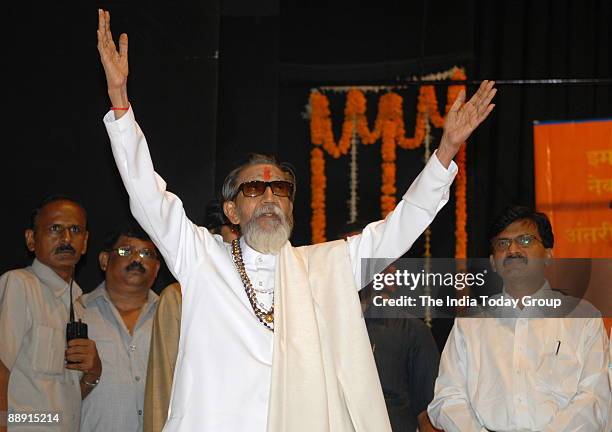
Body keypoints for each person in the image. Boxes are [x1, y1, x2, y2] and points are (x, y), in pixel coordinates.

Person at [96, 8, 496, 431]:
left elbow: (398, 228)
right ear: (231, 210)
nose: (269, 196)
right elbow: (146, 195)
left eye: (280, 190)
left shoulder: (323, 267)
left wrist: (446, 151)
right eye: (253, 189)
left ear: (290, 207)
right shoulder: (201, 258)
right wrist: (120, 100)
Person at [428, 206, 611, 431]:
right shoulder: (471, 322)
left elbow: (596, 397)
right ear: (493, 262)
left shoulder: (582, 317)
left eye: (525, 240)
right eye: (503, 243)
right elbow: (447, 398)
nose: (513, 249)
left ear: (548, 254)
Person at [0, 196, 101, 432]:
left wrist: (94, 371)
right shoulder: (20, 284)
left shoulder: (78, 303)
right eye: (55, 228)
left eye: (75, 230)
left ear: (85, 242)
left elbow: (63, 397)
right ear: (31, 239)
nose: (66, 239)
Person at [143, 201, 239, 432]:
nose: (244, 241)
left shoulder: (273, 295)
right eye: (236, 231)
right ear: (213, 236)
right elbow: (162, 383)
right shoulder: (178, 297)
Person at [338, 223, 441, 432]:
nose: (359, 265)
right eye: (351, 255)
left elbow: (429, 416)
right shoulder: (312, 325)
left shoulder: (412, 330)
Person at [79, 225, 161, 431]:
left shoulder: (174, 319)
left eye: (146, 253)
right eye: (126, 251)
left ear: (157, 268)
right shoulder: (77, 312)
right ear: (104, 260)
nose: (137, 259)